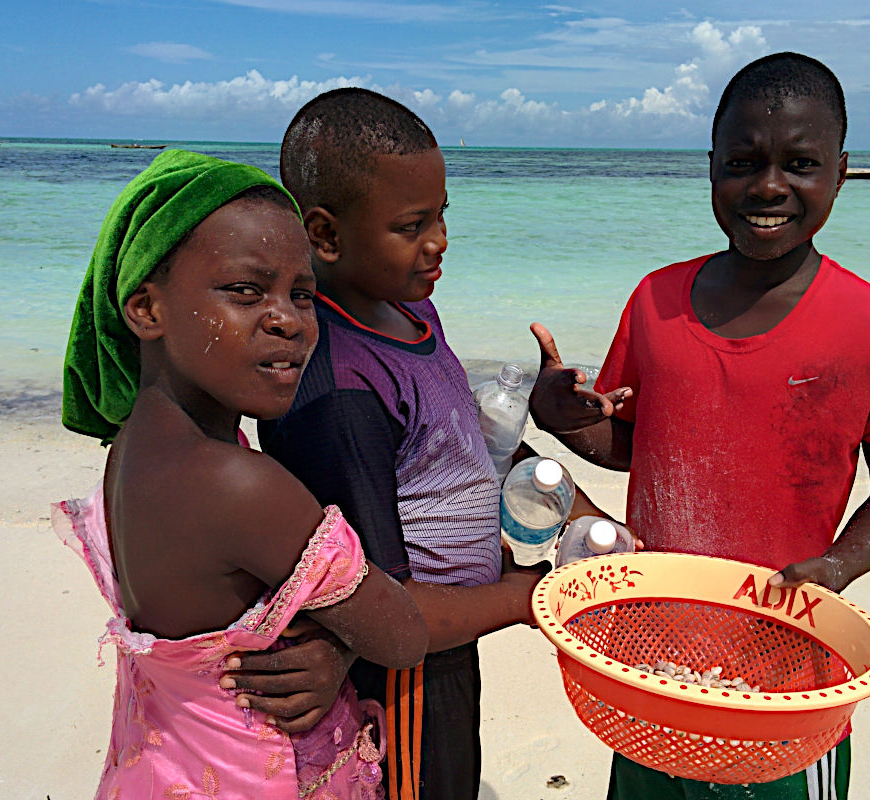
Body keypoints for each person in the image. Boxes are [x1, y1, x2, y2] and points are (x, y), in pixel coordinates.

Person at [529, 52, 870, 800]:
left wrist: (837, 570)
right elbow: (641, 446)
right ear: (711, 167)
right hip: (651, 667)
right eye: (743, 162)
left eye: (800, 163)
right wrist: (560, 422)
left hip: (787, 682)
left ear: (840, 173)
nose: (770, 186)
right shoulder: (657, 301)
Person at [241, 87, 613, 800]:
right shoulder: (338, 387)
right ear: (325, 236)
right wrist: (536, 597)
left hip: (447, 642)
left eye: (442, 215)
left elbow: (459, 445)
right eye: (412, 225)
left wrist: (576, 508)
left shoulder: (411, 308)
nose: (439, 240)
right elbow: (383, 606)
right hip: (399, 675)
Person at [55, 148, 428, 799]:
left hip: (162, 766)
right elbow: (400, 634)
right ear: (146, 309)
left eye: (303, 294)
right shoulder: (239, 485)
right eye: (245, 292)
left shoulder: (132, 455)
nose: (287, 319)